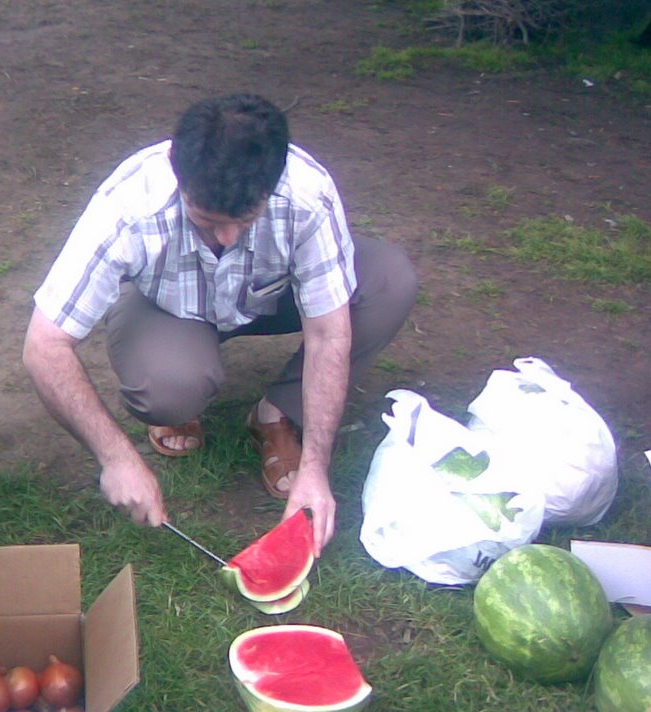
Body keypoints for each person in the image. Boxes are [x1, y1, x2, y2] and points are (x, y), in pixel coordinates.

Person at [23, 93, 417, 555]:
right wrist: (115, 458)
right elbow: (44, 345)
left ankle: (278, 411)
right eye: (207, 221)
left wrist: (315, 470)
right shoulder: (129, 204)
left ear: (273, 185)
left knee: (391, 281)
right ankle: (183, 392)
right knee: (168, 386)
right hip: (166, 306)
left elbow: (329, 333)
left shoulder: (307, 195)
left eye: (245, 220)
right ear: (180, 178)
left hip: (271, 297)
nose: (227, 237)